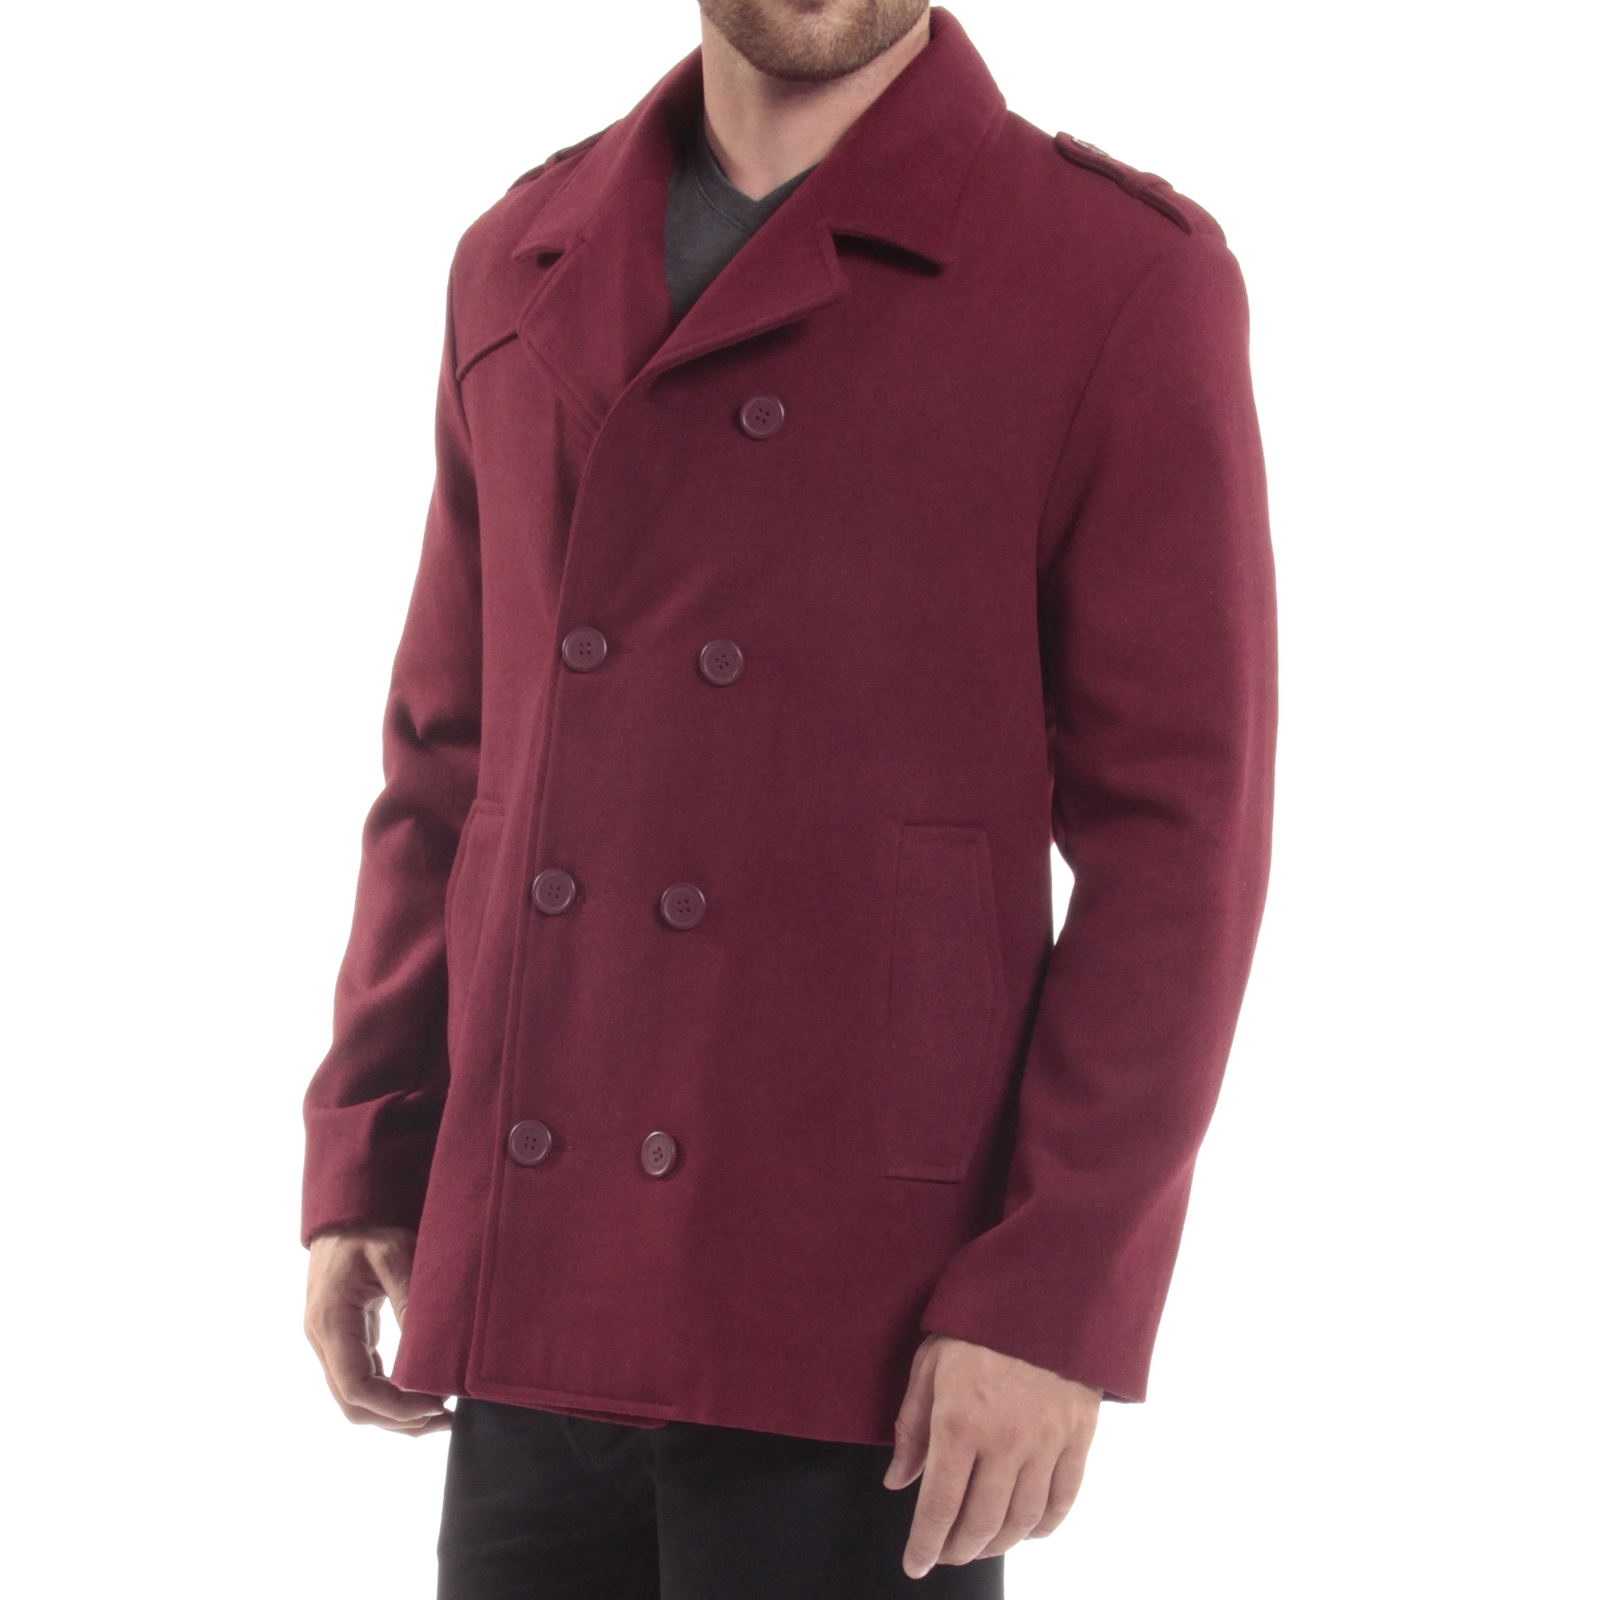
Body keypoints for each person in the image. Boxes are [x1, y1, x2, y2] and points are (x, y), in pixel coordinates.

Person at [299, 4, 1277, 1594]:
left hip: (868, 1326)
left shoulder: (1114, 273)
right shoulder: (518, 255)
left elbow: (1182, 840)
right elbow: (449, 752)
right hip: (532, 1266)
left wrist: (1053, 1294)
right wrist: (371, 1143)